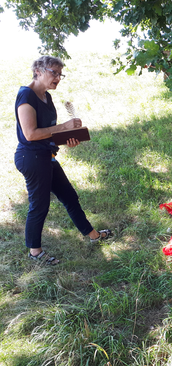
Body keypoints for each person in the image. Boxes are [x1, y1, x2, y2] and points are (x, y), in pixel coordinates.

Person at [14, 56, 112, 265]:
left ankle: (93, 235)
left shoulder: (46, 97)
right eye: (54, 73)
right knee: (39, 206)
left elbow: (47, 132)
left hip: (46, 156)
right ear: (38, 71)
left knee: (69, 196)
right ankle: (35, 253)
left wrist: (68, 138)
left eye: (61, 74)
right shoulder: (26, 96)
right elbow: (30, 134)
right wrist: (63, 127)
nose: (58, 78)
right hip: (31, 157)